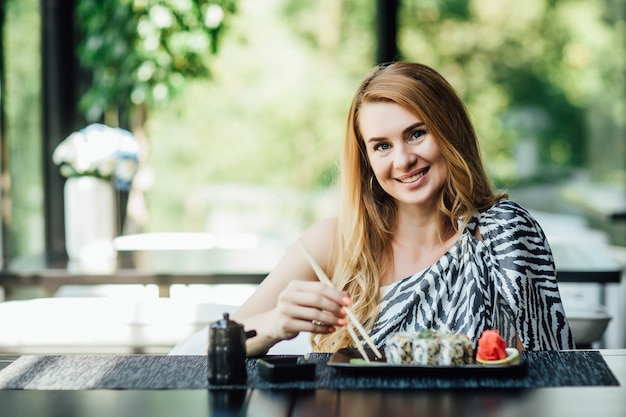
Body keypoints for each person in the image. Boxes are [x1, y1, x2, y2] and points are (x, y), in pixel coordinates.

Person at [231, 61, 575, 357]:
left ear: (450, 131)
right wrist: (275, 324)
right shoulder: (333, 241)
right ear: (367, 160)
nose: (403, 160)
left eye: (416, 134)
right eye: (382, 146)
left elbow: (556, 369)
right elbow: (213, 345)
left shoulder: (506, 232)